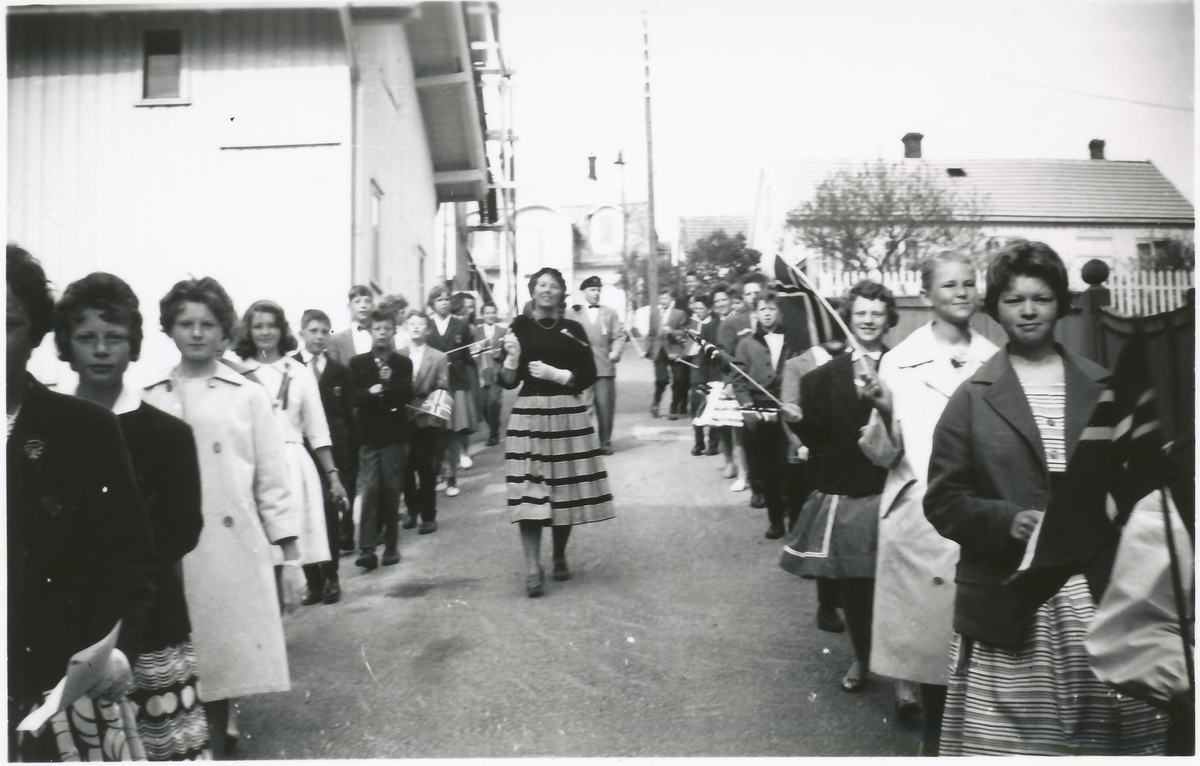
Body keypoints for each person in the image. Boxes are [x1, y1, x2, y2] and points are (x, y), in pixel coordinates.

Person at [924, 241, 1166, 755]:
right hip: (1012, 597)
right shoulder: (973, 396)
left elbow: (1140, 488)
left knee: (1106, 733)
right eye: (1014, 300)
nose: (1029, 311)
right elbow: (944, 499)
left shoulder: (1103, 387)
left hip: (1098, 594)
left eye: (1042, 297)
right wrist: (1004, 520)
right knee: (1020, 742)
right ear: (995, 308)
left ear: (1061, 303)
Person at [142, 276, 304, 759]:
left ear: (225, 330)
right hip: (172, 551)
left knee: (221, 660)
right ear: (169, 327)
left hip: (230, 546)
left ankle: (216, 740)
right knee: (181, 659)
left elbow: (272, 480)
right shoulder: (152, 394)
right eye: (185, 323)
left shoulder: (246, 395)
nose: (196, 334)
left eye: (208, 324)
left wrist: (290, 559)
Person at [8, 248, 159, 761]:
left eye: (6, 323)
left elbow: (129, 556)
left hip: (61, 696)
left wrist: (118, 650)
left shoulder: (85, 430)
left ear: (34, 335)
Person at [55, 272, 211, 760]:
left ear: (134, 346)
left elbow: (183, 525)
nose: (101, 350)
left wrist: (121, 569)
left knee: (162, 746)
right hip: (64, 623)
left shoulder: (167, 434)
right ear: (65, 346)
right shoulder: (49, 429)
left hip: (152, 623)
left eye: (114, 338)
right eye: (86, 338)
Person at [854, 253, 997, 752]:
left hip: (978, 516)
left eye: (969, 284)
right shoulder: (898, 361)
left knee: (977, 647)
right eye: (949, 285)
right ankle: (935, 747)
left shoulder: (995, 358)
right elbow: (884, 453)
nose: (961, 292)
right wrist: (885, 409)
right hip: (920, 517)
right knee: (933, 651)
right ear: (928, 295)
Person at [782, 280, 896, 695]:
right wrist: (799, 421)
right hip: (849, 494)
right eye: (861, 312)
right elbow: (818, 437)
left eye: (877, 313)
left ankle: (904, 679)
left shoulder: (904, 366)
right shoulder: (824, 377)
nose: (868, 320)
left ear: (889, 320)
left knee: (897, 586)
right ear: (848, 317)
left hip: (894, 489)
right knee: (857, 590)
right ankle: (863, 660)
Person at [500, 267, 615, 597]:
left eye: (553, 286)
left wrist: (560, 375)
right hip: (528, 414)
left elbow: (589, 373)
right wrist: (511, 360)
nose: (546, 290)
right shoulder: (519, 328)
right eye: (540, 285)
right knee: (529, 492)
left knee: (564, 490)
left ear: (562, 292)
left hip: (567, 413)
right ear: (533, 291)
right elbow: (507, 381)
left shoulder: (573, 328)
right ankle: (533, 568)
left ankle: (560, 554)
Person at [234, 301, 348, 604]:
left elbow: (317, 428)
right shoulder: (237, 373)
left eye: (271, 325)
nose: (265, 332)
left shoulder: (298, 372)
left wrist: (333, 476)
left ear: (281, 329)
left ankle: (323, 580)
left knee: (302, 534)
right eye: (258, 326)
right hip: (250, 466)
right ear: (248, 330)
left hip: (293, 463)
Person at [294, 309, 357, 604]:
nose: (319, 337)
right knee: (303, 514)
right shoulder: (290, 368)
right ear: (302, 333)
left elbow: (347, 415)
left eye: (325, 331)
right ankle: (312, 580)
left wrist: (347, 457)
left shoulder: (339, 371)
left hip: (332, 453)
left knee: (329, 513)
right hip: (300, 451)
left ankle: (331, 576)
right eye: (314, 331)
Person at [348, 308, 414, 570]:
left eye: (387, 328)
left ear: (394, 331)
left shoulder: (402, 363)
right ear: (370, 332)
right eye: (378, 329)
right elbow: (352, 397)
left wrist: (388, 386)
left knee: (391, 488)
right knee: (371, 488)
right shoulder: (358, 363)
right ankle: (366, 548)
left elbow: (408, 393)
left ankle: (391, 546)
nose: (383, 333)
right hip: (368, 436)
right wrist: (371, 392)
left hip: (395, 436)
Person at [731, 290, 800, 539]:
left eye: (772, 308)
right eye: (763, 309)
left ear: (779, 312)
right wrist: (748, 406)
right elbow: (738, 381)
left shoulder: (794, 341)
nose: (768, 314)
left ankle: (794, 519)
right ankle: (775, 520)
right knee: (769, 468)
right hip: (761, 411)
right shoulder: (746, 344)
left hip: (790, 410)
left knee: (790, 468)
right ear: (756, 314)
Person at [400, 310, 450, 534]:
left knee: (426, 467)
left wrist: (426, 407)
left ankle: (428, 515)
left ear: (428, 329)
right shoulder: (398, 355)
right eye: (411, 324)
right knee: (405, 467)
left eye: (421, 324)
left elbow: (442, 387)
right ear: (405, 328)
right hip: (402, 417)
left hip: (427, 417)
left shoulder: (438, 357)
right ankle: (411, 510)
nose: (416, 328)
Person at [426, 285, 477, 497]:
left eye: (447, 298)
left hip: (456, 383)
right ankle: (438, 471)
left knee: (453, 432)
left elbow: (468, 356)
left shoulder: (461, 325)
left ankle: (452, 478)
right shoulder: (426, 326)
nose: (444, 302)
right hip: (433, 385)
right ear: (432, 304)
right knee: (436, 433)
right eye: (439, 299)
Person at [566, 276, 625, 455]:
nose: (596, 293)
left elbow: (619, 336)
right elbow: (565, 338)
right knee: (584, 406)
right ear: (583, 292)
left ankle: (605, 443)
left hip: (604, 366)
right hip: (582, 367)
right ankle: (584, 444)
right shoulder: (572, 313)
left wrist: (616, 351)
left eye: (599, 290)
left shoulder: (610, 312)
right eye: (592, 290)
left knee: (605, 406)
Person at [683, 292, 720, 456]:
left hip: (714, 371)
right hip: (698, 370)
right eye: (696, 308)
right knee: (696, 405)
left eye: (701, 308)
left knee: (713, 406)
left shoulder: (716, 324)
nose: (698, 311)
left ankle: (713, 443)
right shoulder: (693, 324)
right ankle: (699, 443)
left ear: (709, 309)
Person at [647, 287, 687, 419]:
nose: (663, 301)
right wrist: (648, 350)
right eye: (661, 298)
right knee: (661, 379)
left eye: (666, 298)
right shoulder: (654, 314)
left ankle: (674, 406)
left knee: (679, 379)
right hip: (659, 351)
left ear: (671, 299)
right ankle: (656, 402)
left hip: (675, 350)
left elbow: (684, 332)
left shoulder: (679, 314)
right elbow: (651, 335)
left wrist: (672, 332)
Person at [474, 302, 507, 447]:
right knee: (483, 405)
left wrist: (500, 354)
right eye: (487, 313)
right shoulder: (476, 331)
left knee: (494, 402)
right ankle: (494, 423)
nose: (490, 315)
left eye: (493, 312)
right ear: (482, 315)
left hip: (496, 371)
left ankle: (494, 434)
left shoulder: (502, 331)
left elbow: (507, 350)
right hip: (481, 371)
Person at [327, 284, 377, 366]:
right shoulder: (336, 341)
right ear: (349, 307)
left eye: (367, 301)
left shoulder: (382, 336)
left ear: (373, 306)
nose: (363, 306)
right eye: (357, 301)